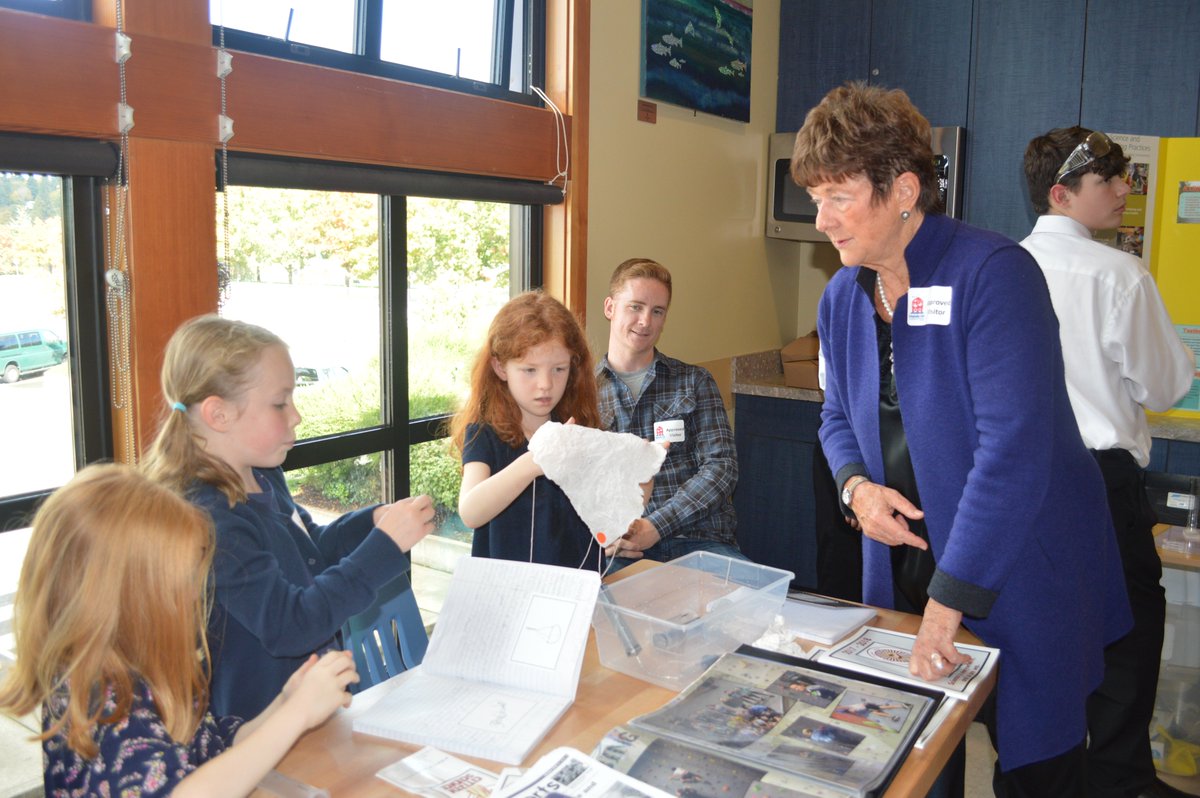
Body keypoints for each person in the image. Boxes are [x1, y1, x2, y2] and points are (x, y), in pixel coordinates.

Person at [793, 82, 1131, 797]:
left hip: (1019, 565)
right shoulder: (841, 296)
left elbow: (1013, 451)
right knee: (920, 764)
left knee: (1038, 767)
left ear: (905, 189)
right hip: (908, 567)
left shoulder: (993, 274)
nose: (821, 220)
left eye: (839, 197)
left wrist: (947, 608)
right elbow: (834, 418)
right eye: (815, 197)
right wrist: (857, 488)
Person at [0, 464, 360, 797]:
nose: (194, 593)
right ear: (124, 596)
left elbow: (216, 751)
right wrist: (295, 715)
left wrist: (286, 701)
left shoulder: (140, 672)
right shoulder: (101, 699)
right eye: (182, 581)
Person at [141, 314, 435, 720]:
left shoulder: (262, 474)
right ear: (218, 414)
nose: (295, 415)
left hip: (313, 710)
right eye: (280, 403)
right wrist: (382, 550)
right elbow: (290, 624)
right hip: (262, 726)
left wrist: (371, 524)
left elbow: (310, 553)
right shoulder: (208, 519)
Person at [1022, 127, 1194, 798]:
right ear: (1062, 193)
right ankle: (1119, 782)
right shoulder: (1118, 274)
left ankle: (1042, 779)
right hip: (1100, 483)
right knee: (1126, 638)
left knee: (1038, 642)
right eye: (1111, 179)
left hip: (1021, 483)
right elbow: (1164, 386)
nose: (1126, 190)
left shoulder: (1001, 265)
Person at [596, 258, 744, 566]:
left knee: (753, 608)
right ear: (610, 308)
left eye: (657, 311)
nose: (645, 321)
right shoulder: (583, 394)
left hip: (698, 541)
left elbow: (721, 468)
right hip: (621, 551)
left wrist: (657, 526)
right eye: (635, 307)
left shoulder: (693, 382)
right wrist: (602, 533)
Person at [450, 290, 605, 570]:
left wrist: (641, 474)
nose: (545, 384)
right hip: (508, 597)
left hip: (576, 591)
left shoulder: (577, 428)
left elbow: (604, 510)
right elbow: (470, 512)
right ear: (500, 367)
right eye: (530, 370)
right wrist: (532, 464)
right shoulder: (485, 432)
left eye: (559, 369)